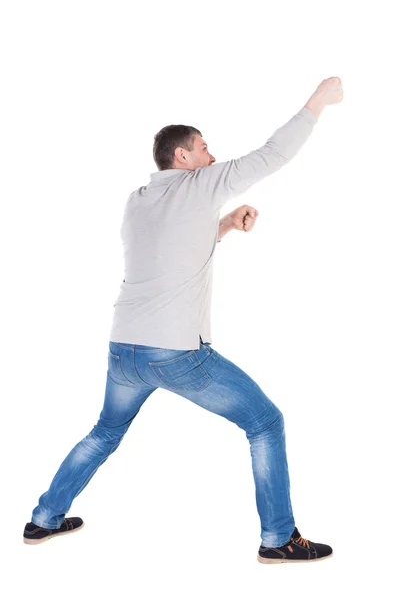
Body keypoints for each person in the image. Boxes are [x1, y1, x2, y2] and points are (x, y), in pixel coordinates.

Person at [23, 77, 343, 563]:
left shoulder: (138, 199)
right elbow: (272, 154)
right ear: (182, 158)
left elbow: (169, 252)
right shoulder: (202, 183)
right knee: (265, 423)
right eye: (204, 147)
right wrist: (318, 102)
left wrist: (225, 226)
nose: (213, 155)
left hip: (125, 350)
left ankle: (43, 520)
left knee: (104, 434)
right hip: (175, 353)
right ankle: (278, 539)